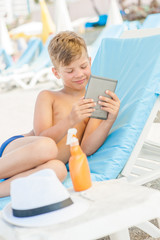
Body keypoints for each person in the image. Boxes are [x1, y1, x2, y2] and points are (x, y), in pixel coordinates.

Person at [0, 31, 120, 197]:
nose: (79, 74)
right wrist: (71, 119)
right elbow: (42, 136)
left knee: (58, 170)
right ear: (57, 73)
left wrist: (109, 120)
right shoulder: (48, 96)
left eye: (83, 66)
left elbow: (86, 148)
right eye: (69, 70)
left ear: (90, 62)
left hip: (41, 166)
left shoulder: (93, 100)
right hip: (19, 152)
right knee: (48, 147)